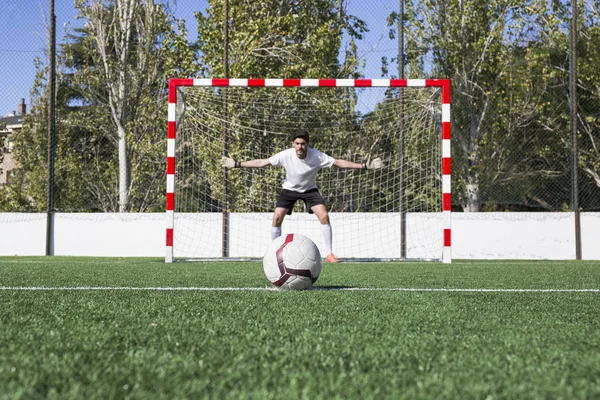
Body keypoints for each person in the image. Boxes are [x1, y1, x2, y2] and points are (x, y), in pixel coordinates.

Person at [221, 128, 382, 263]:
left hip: (309, 190)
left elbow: (339, 163)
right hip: (289, 189)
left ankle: (330, 254)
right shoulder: (285, 155)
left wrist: (364, 166)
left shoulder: (317, 156)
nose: (300, 147)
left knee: (324, 215)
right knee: (277, 217)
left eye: (303, 144)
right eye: (297, 143)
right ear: (293, 144)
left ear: (307, 144)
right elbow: (263, 162)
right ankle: (274, 253)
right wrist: (237, 164)